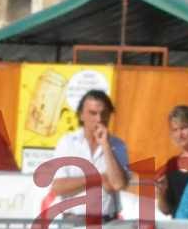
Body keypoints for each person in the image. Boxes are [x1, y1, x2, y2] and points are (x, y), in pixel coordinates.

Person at [46, 90, 129, 220]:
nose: (99, 119)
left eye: (104, 114)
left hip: (107, 221)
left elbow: (118, 184)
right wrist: (98, 178)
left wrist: (106, 146)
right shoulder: (67, 143)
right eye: (93, 113)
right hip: (74, 220)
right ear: (81, 115)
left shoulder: (117, 145)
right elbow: (58, 187)